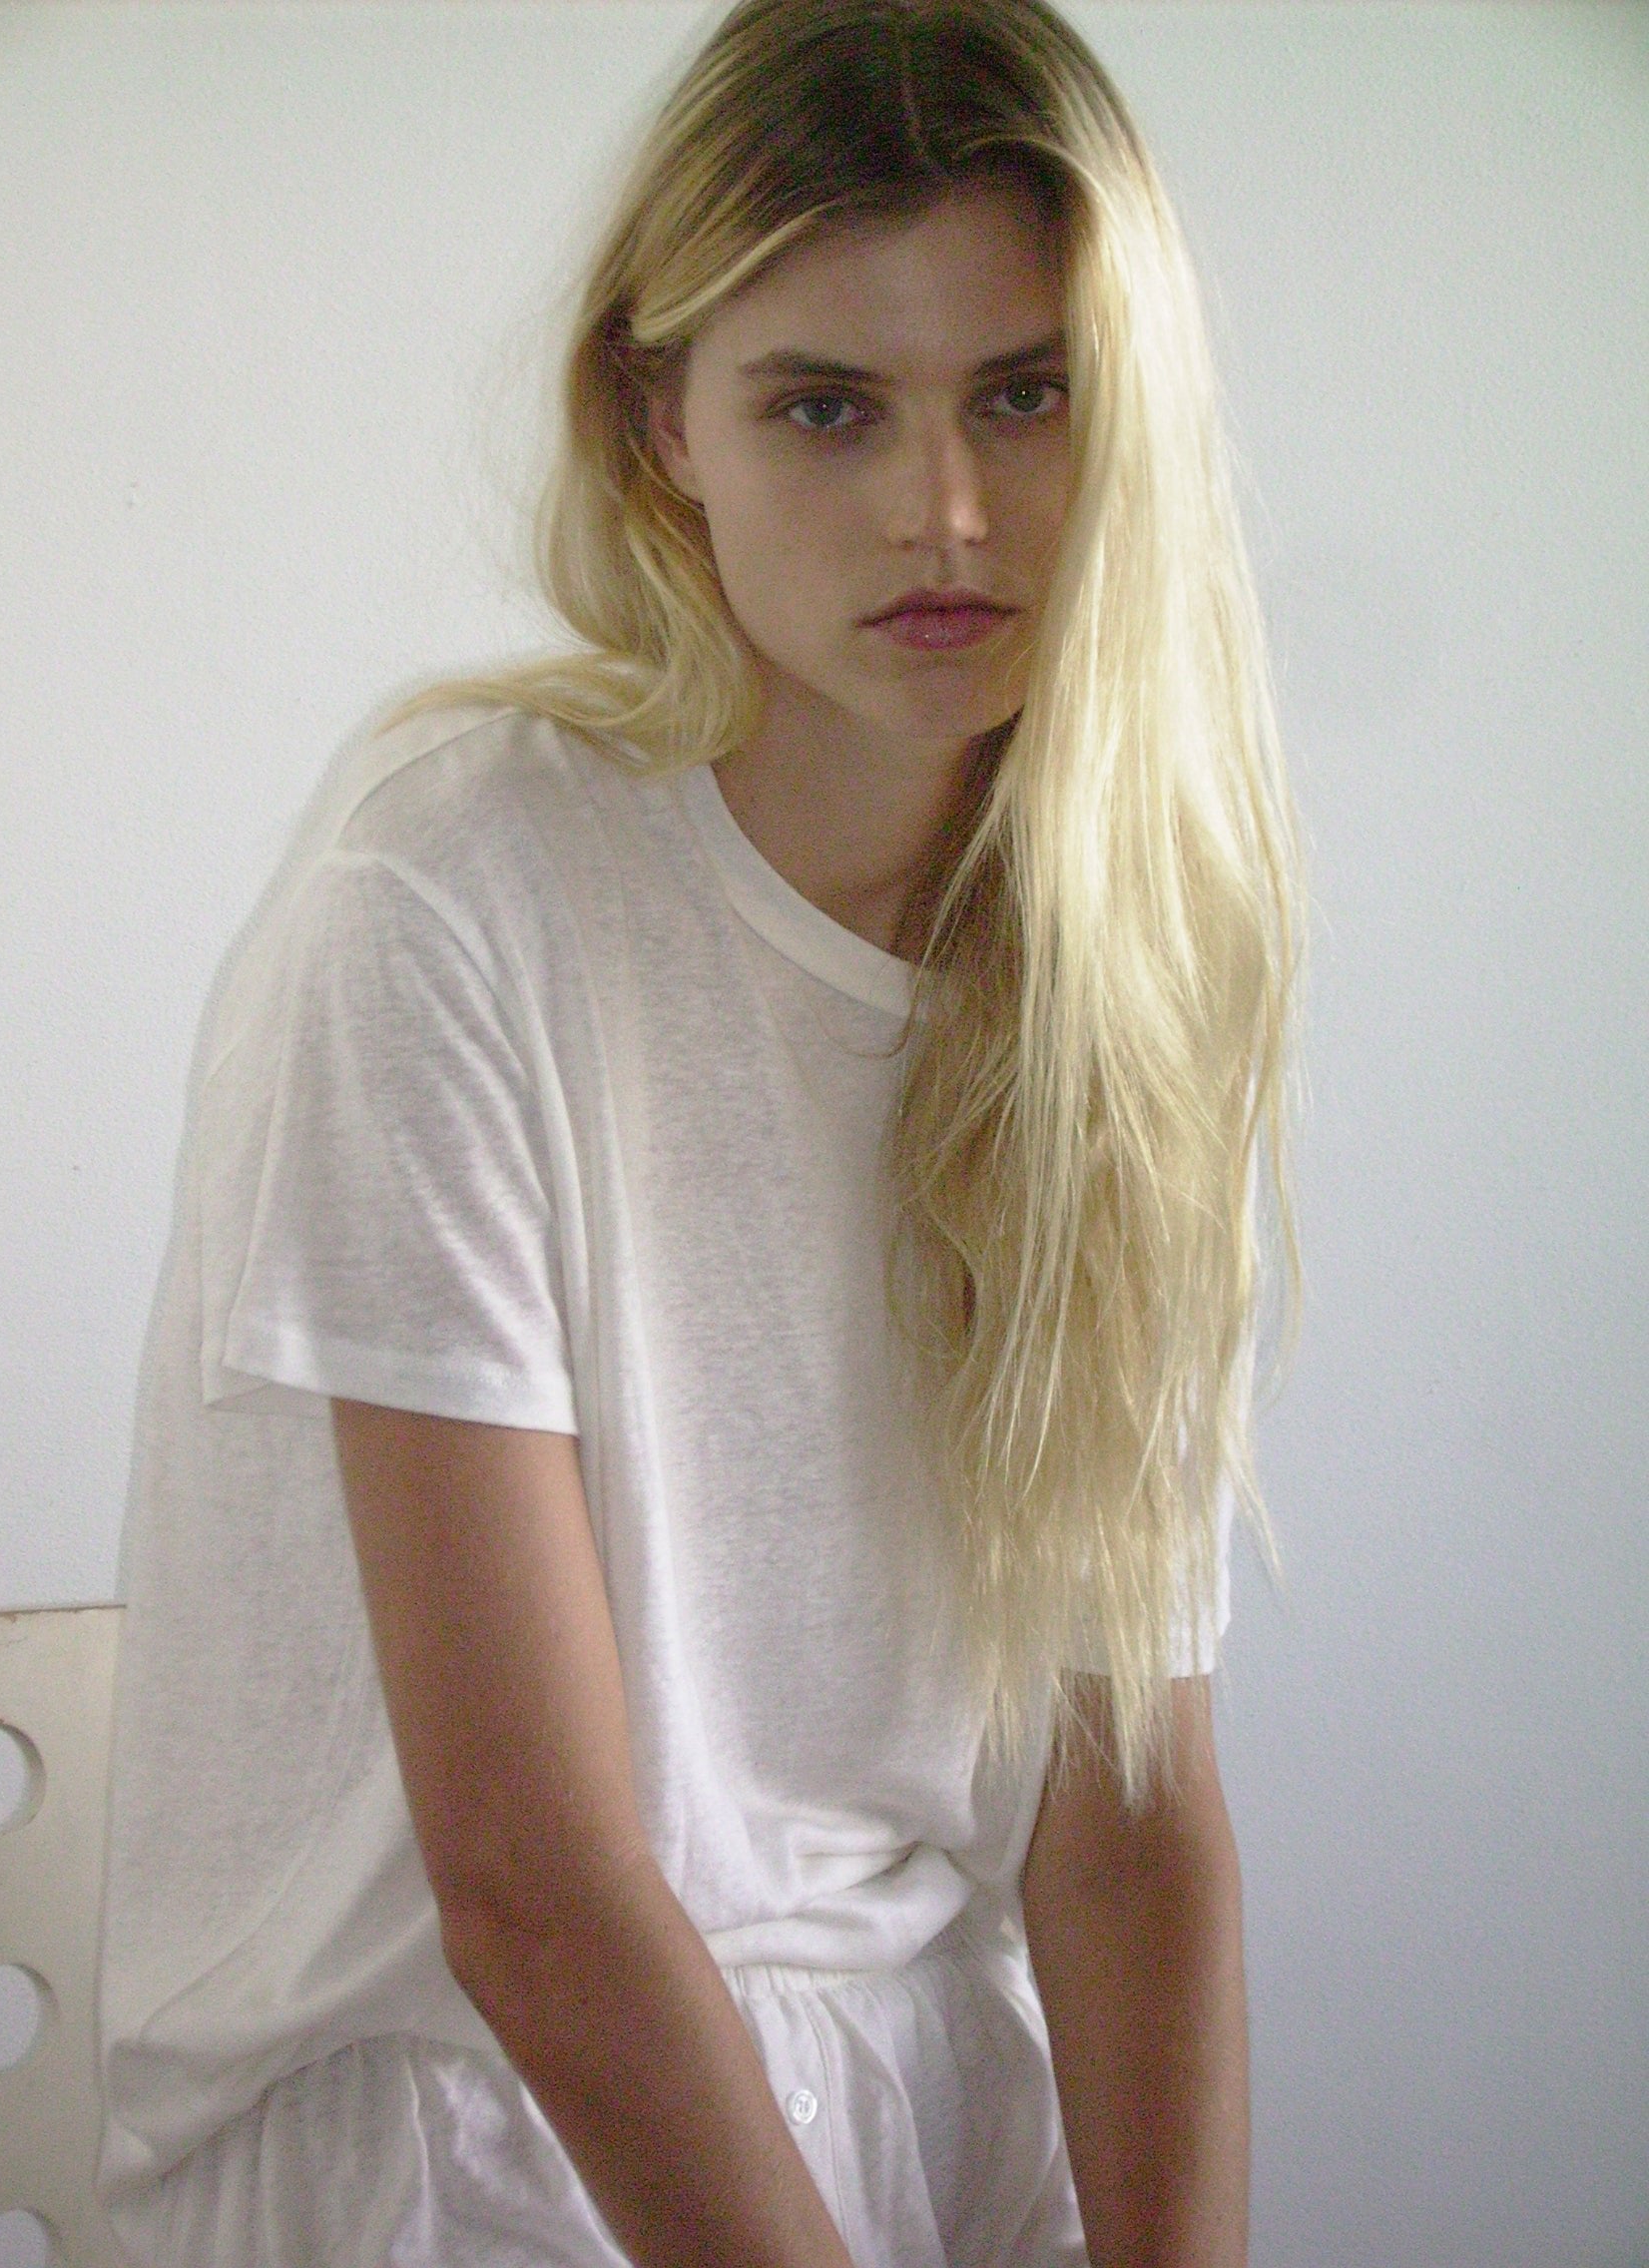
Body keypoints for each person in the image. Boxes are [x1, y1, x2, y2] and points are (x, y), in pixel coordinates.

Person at [94, 1, 1305, 2262]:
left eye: (1026, 394)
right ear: (664, 424)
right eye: (826, 407)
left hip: (930, 2099)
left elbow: (1128, 1818)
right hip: (471, 2125)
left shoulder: (1132, 963)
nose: (946, 512)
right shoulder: (446, 903)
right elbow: (533, 1891)